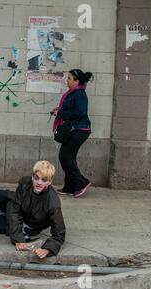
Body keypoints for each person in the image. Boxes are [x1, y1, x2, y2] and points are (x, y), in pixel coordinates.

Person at [52, 69, 93, 198]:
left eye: (69, 78)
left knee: (64, 156)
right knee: (70, 157)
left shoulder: (79, 94)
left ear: (77, 81)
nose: (67, 80)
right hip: (75, 129)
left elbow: (80, 112)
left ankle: (81, 182)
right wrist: (59, 110)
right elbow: (72, 109)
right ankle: (70, 187)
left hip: (79, 130)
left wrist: (61, 113)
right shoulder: (72, 93)